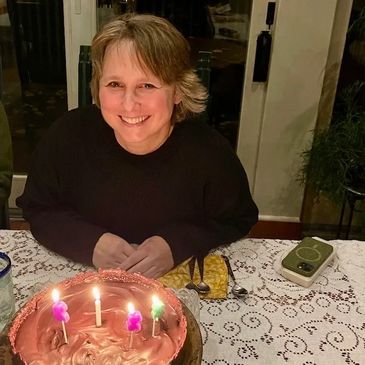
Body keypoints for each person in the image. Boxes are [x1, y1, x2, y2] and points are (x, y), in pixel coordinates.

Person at [17, 14, 258, 278]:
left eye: (147, 85)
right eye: (115, 84)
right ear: (97, 86)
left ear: (178, 91)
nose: (129, 104)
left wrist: (177, 244)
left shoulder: (210, 154)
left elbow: (239, 219)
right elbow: (37, 208)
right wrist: (90, 243)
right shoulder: (67, 136)